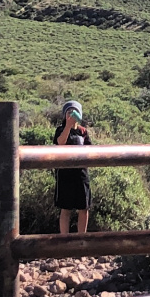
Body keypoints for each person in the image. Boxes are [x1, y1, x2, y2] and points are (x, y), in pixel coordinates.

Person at [54, 100, 92, 235]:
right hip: (65, 175)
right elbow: (60, 142)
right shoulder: (60, 129)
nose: (71, 114)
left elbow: (90, 150)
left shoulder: (83, 132)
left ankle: (81, 239)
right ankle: (64, 240)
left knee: (84, 208)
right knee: (65, 208)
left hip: (81, 174)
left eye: (74, 112)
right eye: (68, 112)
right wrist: (68, 127)